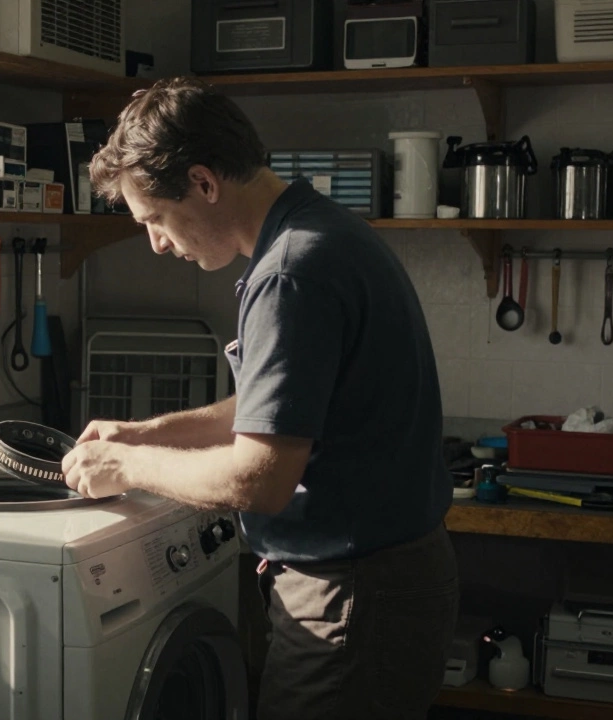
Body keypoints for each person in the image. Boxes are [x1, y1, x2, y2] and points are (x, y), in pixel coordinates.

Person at [60, 77, 459, 719]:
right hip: (380, 586)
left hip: (352, 599)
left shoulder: (290, 272)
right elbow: (278, 411)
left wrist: (127, 467)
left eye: (156, 220)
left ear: (204, 183)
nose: (158, 244)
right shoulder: (316, 233)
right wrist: (146, 433)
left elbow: (261, 476)